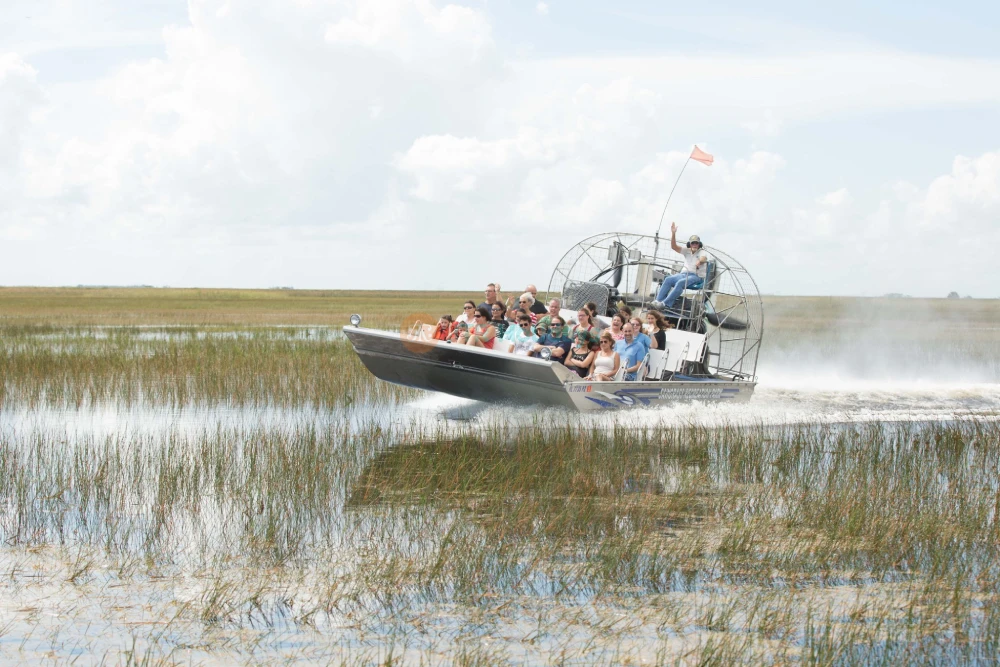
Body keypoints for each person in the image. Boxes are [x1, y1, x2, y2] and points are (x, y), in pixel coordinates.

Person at [652, 222, 708, 310]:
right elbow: (674, 247)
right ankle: (657, 302)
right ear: (690, 244)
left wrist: (699, 261)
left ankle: (665, 304)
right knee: (668, 279)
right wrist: (673, 233)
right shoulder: (687, 251)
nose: (694, 245)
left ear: (699, 244)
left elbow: (704, 258)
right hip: (683, 274)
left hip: (696, 276)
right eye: (693, 243)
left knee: (680, 283)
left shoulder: (701, 251)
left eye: (696, 243)